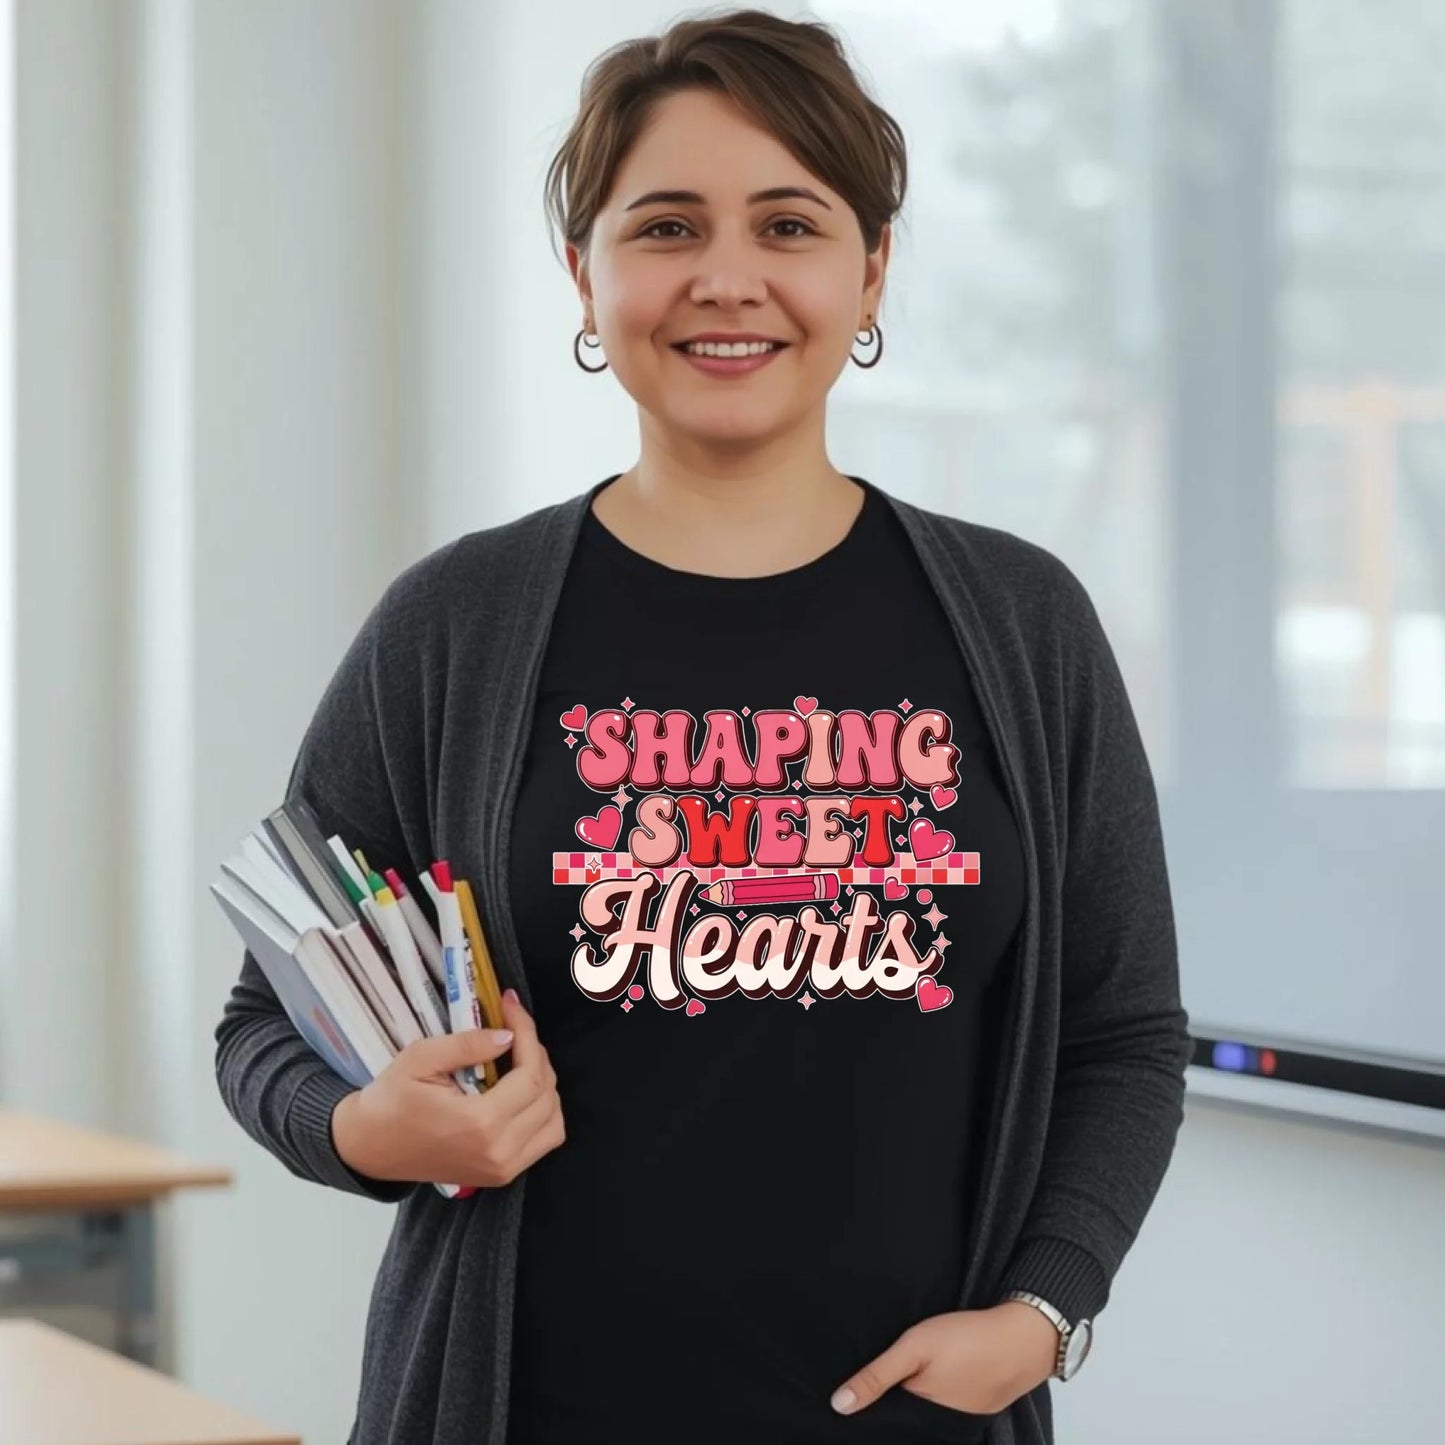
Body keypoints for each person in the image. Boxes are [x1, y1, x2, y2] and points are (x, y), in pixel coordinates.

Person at [213, 10, 1192, 1445]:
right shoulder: (457, 624)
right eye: (664, 226)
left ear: (869, 267)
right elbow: (263, 1026)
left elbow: (1122, 1031)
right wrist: (365, 1130)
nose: (725, 279)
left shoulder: (1020, 623)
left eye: (787, 224)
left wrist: (1042, 1313)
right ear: (584, 271)